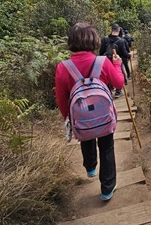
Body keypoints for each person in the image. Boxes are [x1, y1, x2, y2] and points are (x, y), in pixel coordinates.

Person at [55, 22, 125, 201]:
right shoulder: (102, 62)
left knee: (86, 138)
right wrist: (117, 66)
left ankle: (90, 167)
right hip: (103, 116)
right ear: (94, 40)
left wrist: (69, 118)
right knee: (107, 147)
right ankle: (107, 189)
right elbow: (119, 84)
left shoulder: (63, 67)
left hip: (81, 118)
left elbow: (62, 99)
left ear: (71, 41)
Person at [99, 23, 130, 95]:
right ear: (119, 30)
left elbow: (101, 52)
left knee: (107, 75)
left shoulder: (104, 39)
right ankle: (118, 91)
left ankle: (110, 90)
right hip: (117, 60)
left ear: (111, 30)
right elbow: (124, 53)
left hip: (106, 61)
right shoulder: (121, 41)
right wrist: (129, 56)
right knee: (119, 73)